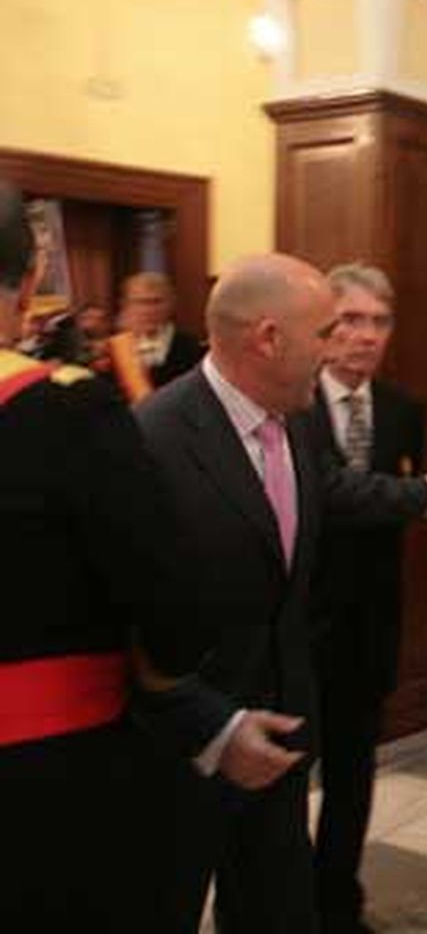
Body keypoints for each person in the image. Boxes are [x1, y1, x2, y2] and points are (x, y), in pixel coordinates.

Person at [136, 253, 427, 933]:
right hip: (189, 752)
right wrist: (215, 726)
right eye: (325, 332)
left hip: (284, 736)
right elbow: (129, 617)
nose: (339, 348)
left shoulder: (297, 421)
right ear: (267, 338)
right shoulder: (154, 438)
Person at [0, 186, 294, 928]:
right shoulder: (64, 410)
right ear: (32, 281)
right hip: (49, 780)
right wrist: (179, 692)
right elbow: (173, 604)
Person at [304, 263, 427, 934]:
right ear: (324, 327)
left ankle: (337, 904)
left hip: (369, 630)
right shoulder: (292, 403)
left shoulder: (404, 409)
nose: (366, 336)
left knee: (354, 780)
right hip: (299, 630)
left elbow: (393, 522)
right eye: (351, 320)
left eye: (379, 322)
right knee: (286, 783)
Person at [107, 270, 204, 402]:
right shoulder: (115, 349)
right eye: (141, 302)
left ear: (171, 303)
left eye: (156, 302)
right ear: (126, 305)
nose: (149, 310)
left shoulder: (191, 347)